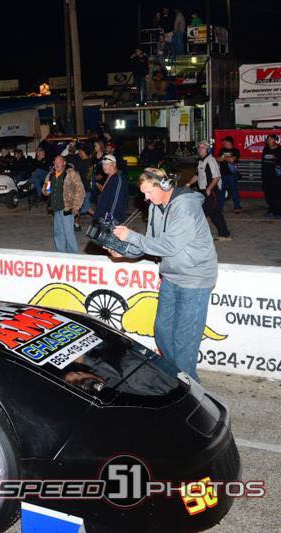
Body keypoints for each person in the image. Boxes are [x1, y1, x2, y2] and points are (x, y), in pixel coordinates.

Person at [111, 168, 216, 382]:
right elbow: (150, 244)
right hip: (171, 276)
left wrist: (130, 235)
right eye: (143, 194)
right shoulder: (155, 207)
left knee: (185, 339)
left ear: (165, 185)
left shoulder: (185, 206)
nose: (146, 198)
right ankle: (176, 375)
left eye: (149, 192)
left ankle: (188, 384)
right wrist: (123, 250)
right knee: (163, 331)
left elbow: (168, 246)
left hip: (195, 278)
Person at [188, 141, 231, 240]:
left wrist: (209, 189)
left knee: (207, 212)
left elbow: (217, 177)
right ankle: (224, 234)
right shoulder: (201, 161)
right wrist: (188, 184)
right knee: (214, 213)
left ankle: (197, 235)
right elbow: (197, 175)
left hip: (212, 191)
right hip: (205, 191)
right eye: (199, 147)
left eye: (203, 147)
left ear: (208, 150)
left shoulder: (211, 160)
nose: (200, 149)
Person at [42, 155, 84, 253]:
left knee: (68, 233)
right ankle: (61, 254)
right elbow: (46, 187)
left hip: (67, 208)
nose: (57, 164)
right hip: (55, 208)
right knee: (58, 233)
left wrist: (76, 206)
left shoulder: (71, 173)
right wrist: (45, 191)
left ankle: (72, 255)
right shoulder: (51, 174)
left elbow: (80, 190)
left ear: (64, 163)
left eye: (59, 162)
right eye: (55, 162)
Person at [94, 155, 128, 223]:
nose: (104, 167)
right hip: (102, 216)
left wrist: (109, 219)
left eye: (106, 164)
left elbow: (116, 200)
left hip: (111, 219)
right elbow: (105, 194)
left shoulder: (117, 179)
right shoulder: (110, 177)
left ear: (114, 164)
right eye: (103, 164)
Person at [217, 136, 241, 214]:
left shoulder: (235, 150)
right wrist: (227, 158)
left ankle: (237, 207)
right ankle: (219, 208)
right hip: (222, 175)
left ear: (229, 142)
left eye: (224, 141)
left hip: (232, 175)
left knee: (234, 191)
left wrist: (223, 158)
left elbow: (232, 160)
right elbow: (217, 159)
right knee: (221, 192)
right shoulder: (222, 150)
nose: (223, 143)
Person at [260, 133, 281, 218]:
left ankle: (278, 211)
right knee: (267, 194)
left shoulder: (279, 149)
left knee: (277, 194)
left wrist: (275, 158)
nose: (268, 141)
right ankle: (271, 210)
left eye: (270, 139)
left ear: (275, 140)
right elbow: (263, 161)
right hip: (266, 175)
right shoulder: (266, 148)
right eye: (268, 140)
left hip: (276, 177)